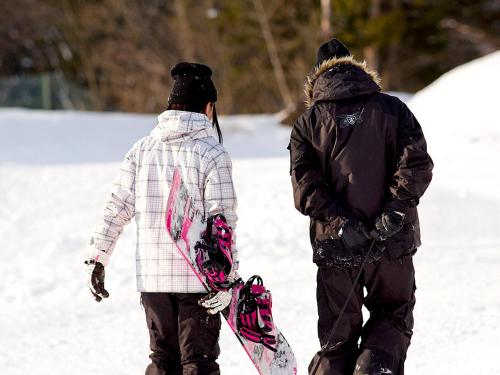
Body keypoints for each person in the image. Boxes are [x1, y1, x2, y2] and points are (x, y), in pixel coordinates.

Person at [288, 38, 433, 375]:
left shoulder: (307, 124)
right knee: (392, 318)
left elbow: (306, 187)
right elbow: (416, 165)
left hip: (336, 246)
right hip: (391, 243)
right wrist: (395, 210)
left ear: (316, 78)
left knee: (337, 340)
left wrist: (339, 223)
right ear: (357, 68)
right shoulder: (393, 109)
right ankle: (373, 369)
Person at [85, 62, 238, 375]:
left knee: (162, 360)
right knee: (198, 363)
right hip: (199, 280)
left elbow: (117, 207)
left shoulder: (142, 150)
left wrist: (98, 258)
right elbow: (222, 219)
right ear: (208, 107)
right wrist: (226, 279)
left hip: (153, 278)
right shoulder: (211, 153)